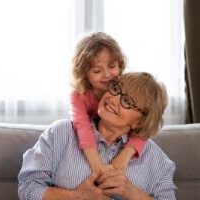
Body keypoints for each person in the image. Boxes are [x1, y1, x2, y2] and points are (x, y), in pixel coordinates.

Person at [18, 72, 176, 200]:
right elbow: (28, 189)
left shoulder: (157, 160)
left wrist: (132, 193)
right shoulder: (60, 133)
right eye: (115, 88)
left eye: (127, 101)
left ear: (140, 121)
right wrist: (75, 197)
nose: (113, 99)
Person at [70, 32, 146, 172]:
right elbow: (82, 128)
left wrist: (125, 155)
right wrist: (98, 167)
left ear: (120, 64)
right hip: (94, 142)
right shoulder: (79, 95)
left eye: (112, 66)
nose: (107, 75)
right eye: (97, 70)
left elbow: (146, 124)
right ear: (84, 73)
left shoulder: (124, 87)